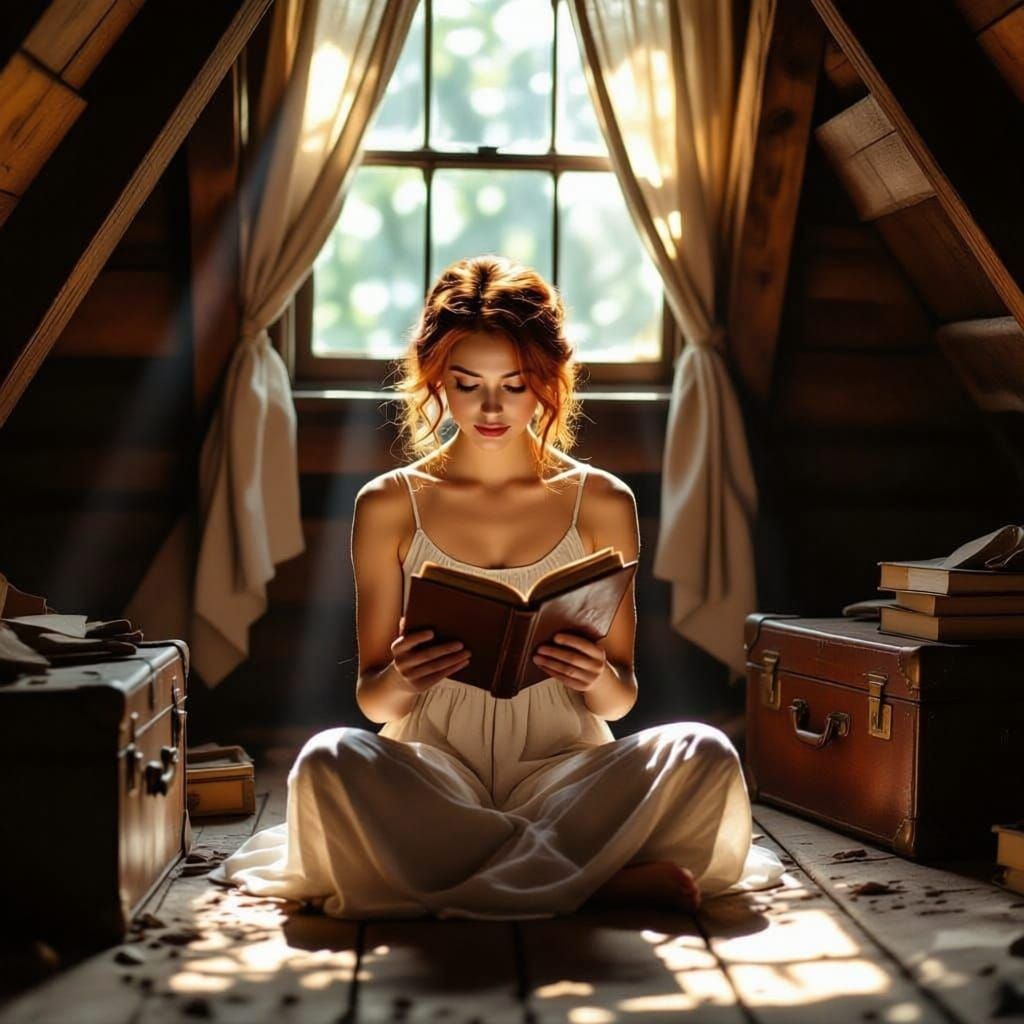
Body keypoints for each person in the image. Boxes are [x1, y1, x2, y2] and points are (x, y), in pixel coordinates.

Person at [211, 255, 784, 919]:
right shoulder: (389, 504)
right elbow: (372, 701)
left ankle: (465, 872)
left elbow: (621, 699)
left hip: (566, 773)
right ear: (435, 382)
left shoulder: (601, 501)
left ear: (548, 382)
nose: (491, 407)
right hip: (432, 771)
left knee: (706, 752)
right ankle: (589, 881)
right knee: (326, 758)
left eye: (514, 385)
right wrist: (406, 675)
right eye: (467, 383)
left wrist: (592, 672)